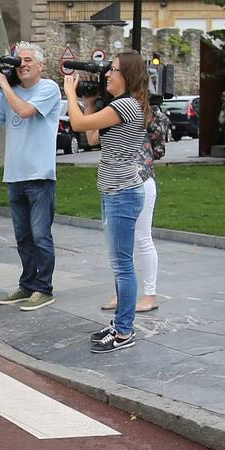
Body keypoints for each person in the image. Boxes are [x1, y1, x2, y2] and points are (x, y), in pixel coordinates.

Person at [65, 50, 152, 353]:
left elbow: (76, 125)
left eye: (113, 70)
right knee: (120, 265)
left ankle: (124, 332)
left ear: (128, 75)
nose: (107, 75)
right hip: (114, 192)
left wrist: (69, 92)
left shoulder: (126, 105)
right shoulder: (123, 106)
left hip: (122, 194)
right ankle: (119, 323)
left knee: (123, 266)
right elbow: (91, 138)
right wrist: (88, 100)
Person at [0, 41, 62, 312]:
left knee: (40, 236)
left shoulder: (48, 88)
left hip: (40, 176)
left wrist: (3, 84)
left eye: (28, 60)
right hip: (15, 176)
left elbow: (25, 111)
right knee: (23, 237)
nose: (23, 64)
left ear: (40, 65)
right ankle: (27, 284)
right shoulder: (9, 92)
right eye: (19, 60)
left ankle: (44, 288)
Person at [97, 99, 171, 314]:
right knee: (118, 244)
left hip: (140, 179)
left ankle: (150, 295)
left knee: (142, 238)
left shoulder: (144, 111)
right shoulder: (116, 109)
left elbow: (157, 148)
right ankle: (123, 294)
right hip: (116, 183)